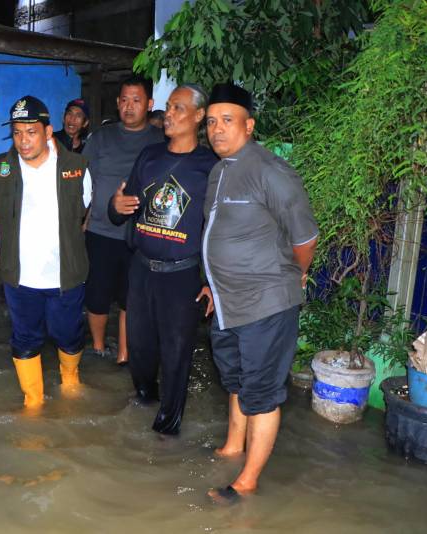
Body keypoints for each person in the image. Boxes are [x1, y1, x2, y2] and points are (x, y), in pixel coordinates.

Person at [202, 83, 318, 504]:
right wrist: (213, 283)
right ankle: (234, 446)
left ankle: (247, 481)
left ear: (249, 125)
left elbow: (304, 238)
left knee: (262, 392)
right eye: (211, 122)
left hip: (266, 304)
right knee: (236, 380)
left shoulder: (272, 171)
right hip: (226, 303)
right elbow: (216, 235)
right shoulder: (219, 171)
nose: (217, 129)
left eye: (227, 120)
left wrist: (292, 276)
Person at [108, 84, 217, 434]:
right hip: (141, 269)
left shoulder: (211, 167)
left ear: (199, 116)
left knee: (176, 353)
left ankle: (167, 431)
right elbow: (121, 209)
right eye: (168, 107)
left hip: (182, 276)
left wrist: (211, 281)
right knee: (139, 349)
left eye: (178, 108)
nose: (168, 114)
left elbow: (219, 229)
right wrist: (115, 206)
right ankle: (144, 399)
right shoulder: (150, 156)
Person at [0, 96, 92, 411]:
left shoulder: (76, 168)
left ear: (48, 131)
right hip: (20, 277)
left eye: (31, 132)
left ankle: (70, 379)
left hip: (65, 274)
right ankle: (33, 400)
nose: (23, 140)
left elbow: (83, 211)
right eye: (17, 132)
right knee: (25, 338)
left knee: (67, 334)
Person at [82, 77, 165, 365]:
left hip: (143, 235)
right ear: (117, 103)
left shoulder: (160, 142)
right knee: (97, 294)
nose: (129, 106)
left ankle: (124, 355)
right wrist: (82, 220)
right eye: (125, 100)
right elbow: (84, 182)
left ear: (149, 104)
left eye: (136, 100)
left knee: (132, 298)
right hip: (100, 231)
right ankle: (98, 346)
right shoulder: (100, 138)